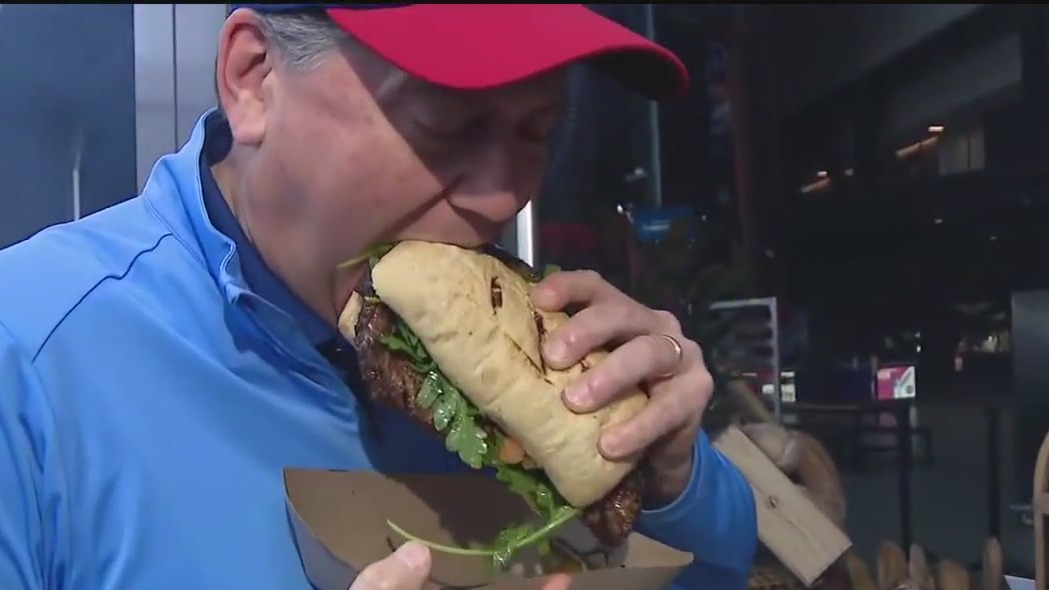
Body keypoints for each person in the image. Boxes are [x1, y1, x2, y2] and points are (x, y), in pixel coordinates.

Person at [0, 5, 757, 590]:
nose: (501, 197)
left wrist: (670, 480)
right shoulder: (31, 357)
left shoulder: (533, 361)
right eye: (449, 125)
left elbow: (716, 572)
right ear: (254, 78)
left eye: (537, 133)